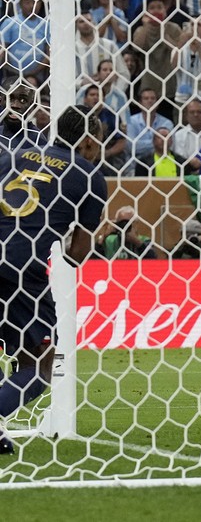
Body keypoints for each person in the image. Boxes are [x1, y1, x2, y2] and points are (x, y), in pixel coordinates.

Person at [0, 106, 107, 455]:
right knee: (45, 364)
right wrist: (99, 231)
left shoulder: (12, 156)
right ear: (89, 141)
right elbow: (75, 256)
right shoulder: (88, 176)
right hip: (20, 270)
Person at [0, 77, 47, 151]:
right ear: (1, 101)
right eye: (10, 99)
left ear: (30, 105)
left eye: (22, 100)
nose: (15, 105)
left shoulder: (37, 139)